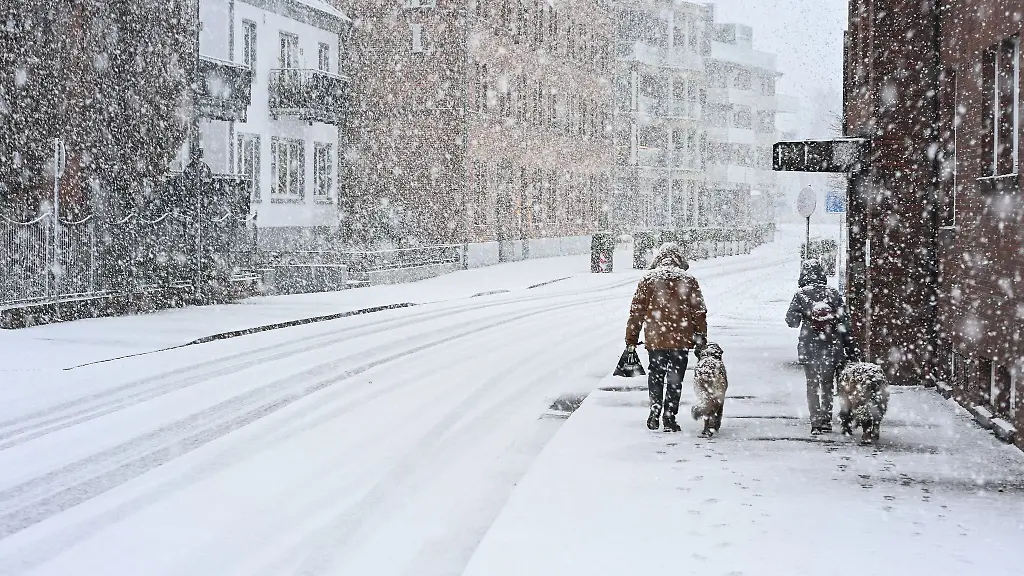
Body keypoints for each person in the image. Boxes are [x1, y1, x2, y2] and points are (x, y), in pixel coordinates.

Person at [626, 242, 708, 432]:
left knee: (656, 374)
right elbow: (699, 313)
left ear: (658, 259)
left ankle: (655, 409)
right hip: (681, 339)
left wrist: (631, 338)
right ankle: (670, 417)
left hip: (656, 340)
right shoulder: (688, 280)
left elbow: (636, 313)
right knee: (675, 378)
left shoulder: (648, 280)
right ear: (679, 259)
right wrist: (700, 338)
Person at [786, 259, 859, 435]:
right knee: (827, 385)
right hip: (832, 346)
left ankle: (815, 422)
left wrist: (805, 314)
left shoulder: (801, 295)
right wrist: (850, 347)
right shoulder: (833, 294)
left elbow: (791, 321)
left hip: (809, 347)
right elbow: (845, 323)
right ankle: (826, 420)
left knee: (812, 385)